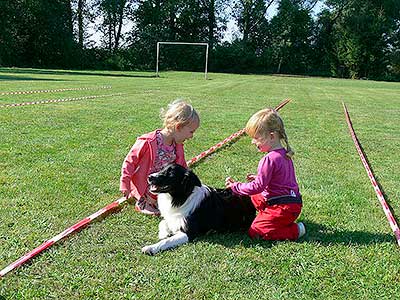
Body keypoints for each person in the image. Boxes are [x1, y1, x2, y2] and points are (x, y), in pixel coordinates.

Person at [225, 108, 305, 240]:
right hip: (293, 204)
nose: (253, 142)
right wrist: (259, 178)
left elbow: (257, 187)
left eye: (256, 138)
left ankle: (295, 230)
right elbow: (281, 180)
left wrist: (236, 186)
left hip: (282, 207)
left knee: (256, 231)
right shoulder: (284, 154)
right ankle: (273, 219)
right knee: (254, 196)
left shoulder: (268, 159)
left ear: (272, 136)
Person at [120, 99, 200, 215]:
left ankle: (157, 200)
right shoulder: (147, 142)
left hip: (162, 183)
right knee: (154, 194)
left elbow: (181, 167)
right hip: (146, 184)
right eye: (191, 132)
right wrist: (125, 183)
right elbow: (129, 162)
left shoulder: (177, 146)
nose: (192, 136)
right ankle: (143, 202)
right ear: (178, 127)